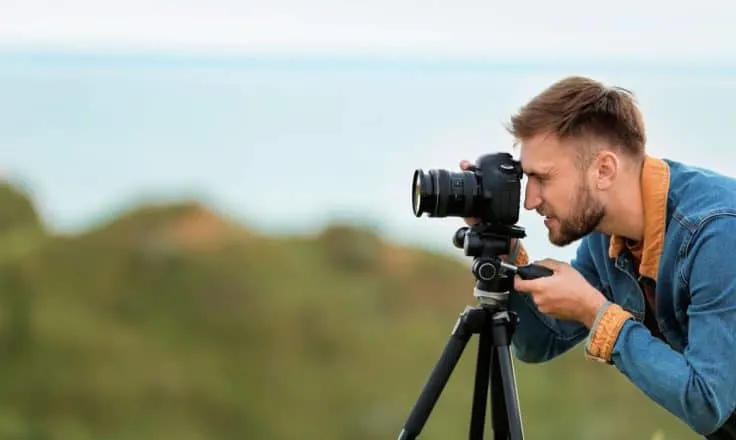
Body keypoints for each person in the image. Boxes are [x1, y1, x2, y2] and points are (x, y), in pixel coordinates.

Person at [460, 75, 736, 439]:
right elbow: (538, 342)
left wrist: (595, 312)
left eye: (543, 178)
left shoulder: (716, 234)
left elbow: (706, 403)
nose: (530, 200)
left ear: (604, 170)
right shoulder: (607, 238)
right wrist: (500, 247)